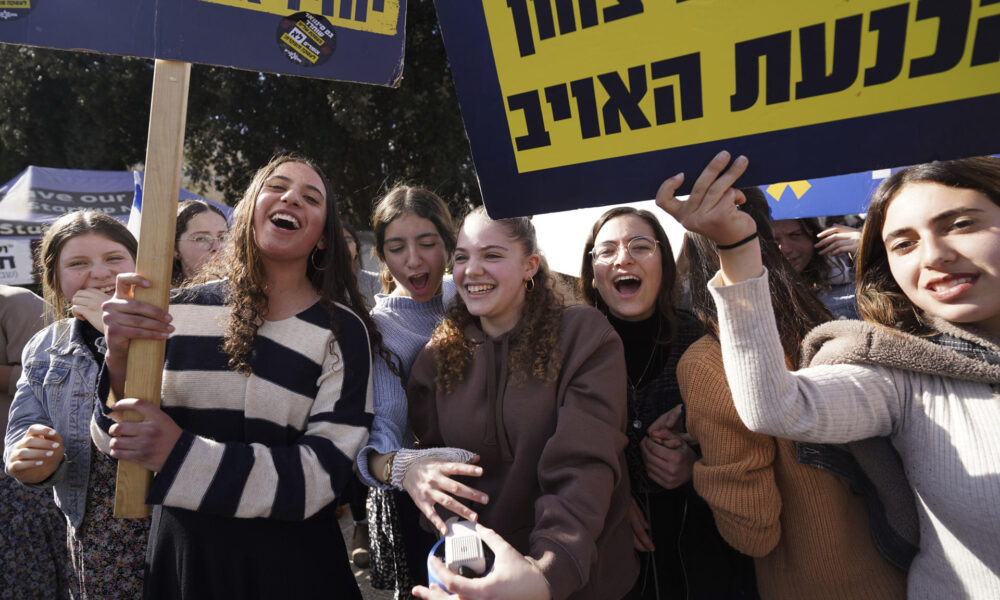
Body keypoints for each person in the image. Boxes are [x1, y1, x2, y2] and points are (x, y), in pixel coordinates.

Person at [656, 152, 1000, 599]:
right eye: (903, 243)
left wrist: (701, 468)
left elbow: (749, 530)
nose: (935, 255)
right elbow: (778, 407)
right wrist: (737, 249)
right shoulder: (900, 373)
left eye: (961, 224)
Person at [93, 155, 379, 599]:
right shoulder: (172, 312)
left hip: (297, 569)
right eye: (277, 186)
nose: (291, 198)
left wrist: (179, 455)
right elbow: (117, 441)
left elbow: (321, 477)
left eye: (311, 196)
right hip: (187, 566)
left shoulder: (342, 332)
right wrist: (117, 356)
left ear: (323, 237)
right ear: (246, 211)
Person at [679, 188, 909, 599]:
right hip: (899, 566)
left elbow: (753, 531)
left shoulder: (706, 362)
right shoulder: (820, 318)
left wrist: (698, 466)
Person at [404, 206, 637, 600]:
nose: (471, 270)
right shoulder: (436, 357)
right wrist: (467, 574)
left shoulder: (585, 337)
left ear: (530, 266)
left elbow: (584, 466)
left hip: (579, 579)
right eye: (461, 257)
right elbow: (449, 490)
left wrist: (544, 574)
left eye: (491, 255)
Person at [578, 207, 756, 599]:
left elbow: (749, 452)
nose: (623, 258)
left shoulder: (705, 341)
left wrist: (695, 466)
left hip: (700, 554)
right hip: (613, 561)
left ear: (664, 263)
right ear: (593, 274)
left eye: (640, 246)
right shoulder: (569, 351)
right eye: (606, 251)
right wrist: (613, 493)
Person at [4, 212, 150, 598]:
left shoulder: (175, 329)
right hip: (94, 532)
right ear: (56, 280)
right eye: (78, 264)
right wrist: (31, 457)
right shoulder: (45, 346)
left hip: (172, 525)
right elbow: (22, 431)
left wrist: (114, 334)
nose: (99, 273)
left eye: (114, 258)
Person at [357, 184, 457, 596]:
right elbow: (383, 435)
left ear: (450, 245)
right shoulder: (379, 329)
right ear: (381, 256)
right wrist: (405, 468)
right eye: (397, 248)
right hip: (423, 504)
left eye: (427, 243)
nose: (413, 260)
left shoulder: (470, 290)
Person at [771, 217, 860, 318]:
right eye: (773, 240)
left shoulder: (850, 293)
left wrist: (874, 256)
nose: (786, 249)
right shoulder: (753, 302)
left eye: (795, 235)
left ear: (814, 236)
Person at [171, 199, 229, 286]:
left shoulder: (246, 293)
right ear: (175, 248)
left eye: (222, 237)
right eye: (201, 239)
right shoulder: (161, 297)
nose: (216, 247)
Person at [342, 221, 381, 309]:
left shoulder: (374, 282)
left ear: (357, 247)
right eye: (335, 242)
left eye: (347, 240)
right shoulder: (317, 289)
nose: (342, 246)